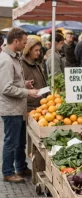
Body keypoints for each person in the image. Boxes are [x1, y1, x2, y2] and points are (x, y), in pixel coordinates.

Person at [0, 27, 39, 183]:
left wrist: (24, 84)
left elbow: (13, 82)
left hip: (18, 108)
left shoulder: (13, 58)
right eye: (23, 42)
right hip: (11, 109)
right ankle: (8, 172)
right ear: (15, 41)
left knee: (19, 141)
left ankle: (21, 167)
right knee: (11, 142)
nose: (25, 45)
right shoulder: (6, 60)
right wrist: (26, 92)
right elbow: (6, 88)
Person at [21, 38, 47, 111]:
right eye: (36, 50)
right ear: (29, 50)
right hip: (29, 107)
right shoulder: (21, 64)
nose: (38, 52)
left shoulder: (37, 64)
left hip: (41, 105)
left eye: (39, 50)